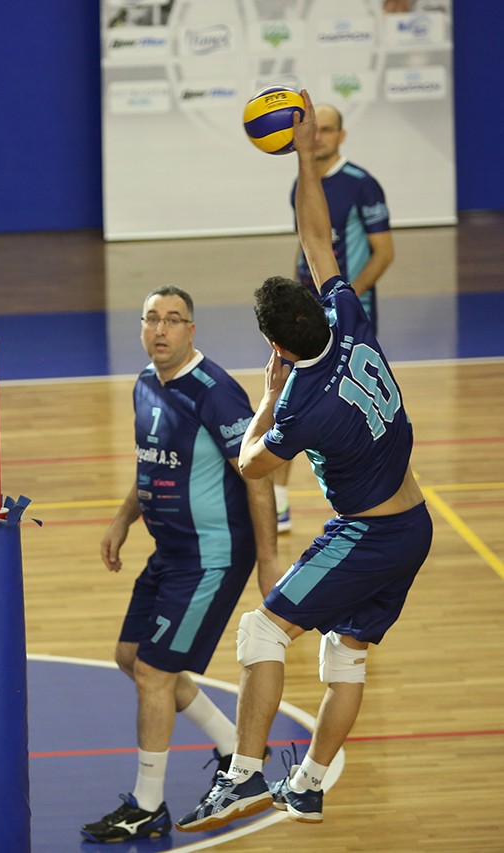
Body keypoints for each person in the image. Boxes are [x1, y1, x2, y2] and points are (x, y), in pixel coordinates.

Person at [175, 88, 432, 834]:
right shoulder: (350, 318)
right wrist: (306, 154)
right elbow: (319, 237)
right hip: (413, 524)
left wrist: (264, 399)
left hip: (368, 534)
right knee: (344, 658)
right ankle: (310, 784)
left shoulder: (302, 404)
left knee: (261, 633)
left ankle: (244, 777)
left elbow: (252, 466)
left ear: (277, 345)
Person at [80, 285, 280, 843]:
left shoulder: (216, 393)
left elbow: (257, 475)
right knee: (130, 656)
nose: (161, 329)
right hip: (170, 551)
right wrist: (123, 519)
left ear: (191, 330)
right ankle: (235, 748)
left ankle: (147, 807)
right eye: (152, 319)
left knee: (153, 672)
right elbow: (152, 464)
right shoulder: (145, 383)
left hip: (211, 557)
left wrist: (268, 559)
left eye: (173, 319)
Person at [274, 100, 394, 534]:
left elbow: (384, 252)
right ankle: (279, 504)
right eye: (315, 129)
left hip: (347, 318)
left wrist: (345, 299)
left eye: (327, 129)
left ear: (342, 136)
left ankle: (374, 492)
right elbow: (306, 242)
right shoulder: (301, 183)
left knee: (349, 407)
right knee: (286, 402)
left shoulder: (362, 184)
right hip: (305, 323)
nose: (319, 136)